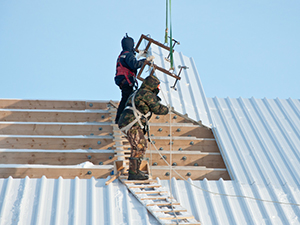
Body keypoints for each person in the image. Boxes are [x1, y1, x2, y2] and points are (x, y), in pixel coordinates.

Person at [118, 74, 169, 180]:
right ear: (153, 85)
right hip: (132, 123)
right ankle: (134, 173)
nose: (158, 89)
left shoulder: (138, 92)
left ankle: (135, 171)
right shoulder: (146, 93)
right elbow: (157, 108)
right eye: (157, 86)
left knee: (138, 146)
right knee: (140, 145)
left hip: (128, 122)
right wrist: (168, 109)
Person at [114, 34, 150, 124]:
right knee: (128, 99)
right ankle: (121, 119)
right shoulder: (128, 55)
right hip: (126, 81)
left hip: (123, 81)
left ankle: (122, 118)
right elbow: (134, 65)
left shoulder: (122, 55)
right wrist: (144, 61)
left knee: (126, 99)